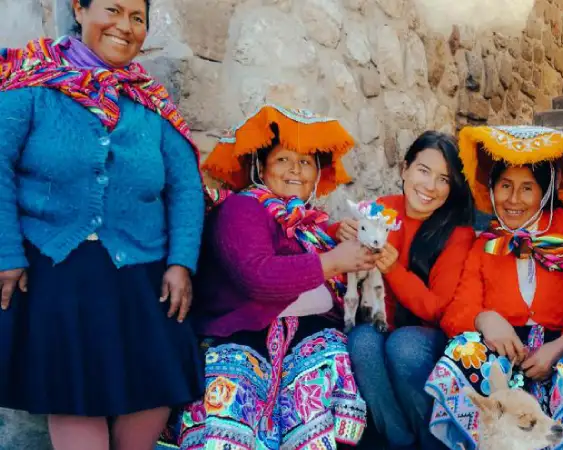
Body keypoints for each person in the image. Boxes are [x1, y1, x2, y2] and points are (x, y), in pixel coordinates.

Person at [0, 0, 206, 448]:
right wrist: (8, 254)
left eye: (137, 18)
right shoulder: (32, 86)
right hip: (58, 270)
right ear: (79, 9)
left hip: (144, 273)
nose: (125, 27)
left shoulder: (150, 103)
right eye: (112, 10)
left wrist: (181, 263)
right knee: (74, 393)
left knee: (154, 384)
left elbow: (186, 187)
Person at [176, 106, 375, 449]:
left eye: (306, 162)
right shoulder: (243, 209)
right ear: (260, 167)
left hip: (301, 346)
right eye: (283, 159)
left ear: (316, 175)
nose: (295, 169)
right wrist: (332, 261)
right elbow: (257, 275)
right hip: (244, 342)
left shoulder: (313, 227)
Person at [425, 125, 563, 450]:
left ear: (545, 192)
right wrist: (486, 319)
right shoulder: (484, 244)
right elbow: (457, 310)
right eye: (505, 186)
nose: (513, 199)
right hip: (504, 349)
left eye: (527, 188)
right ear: (492, 189)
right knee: (460, 353)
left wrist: (557, 350)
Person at [335, 131, 476, 449]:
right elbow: (349, 228)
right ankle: (397, 440)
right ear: (404, 170)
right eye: (423, 171)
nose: (430, 186)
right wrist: (339, 230)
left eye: (443, 179)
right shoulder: (383, 210)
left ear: (452, 188)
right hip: (385, 327)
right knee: (361, 341)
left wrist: (393, 270)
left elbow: (436, 308)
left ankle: (434, 441)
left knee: (404, 346)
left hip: (426, 339)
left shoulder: (457, 235)